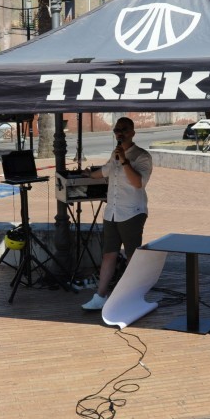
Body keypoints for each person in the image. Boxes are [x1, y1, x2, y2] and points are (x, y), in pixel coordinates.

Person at [81, 117, 152, 311]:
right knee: (108, 255)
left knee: (132, 257)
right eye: (116, 130)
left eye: (124, 129)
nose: (119, 132)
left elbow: (138, 183)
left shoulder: (142, 156)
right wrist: (89, 174)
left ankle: (132, 296)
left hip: (132, 212)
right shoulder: (115, 153)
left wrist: (125, 161)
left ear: (132, 133)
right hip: (112, 212)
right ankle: (100, 296)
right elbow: (105, 171)